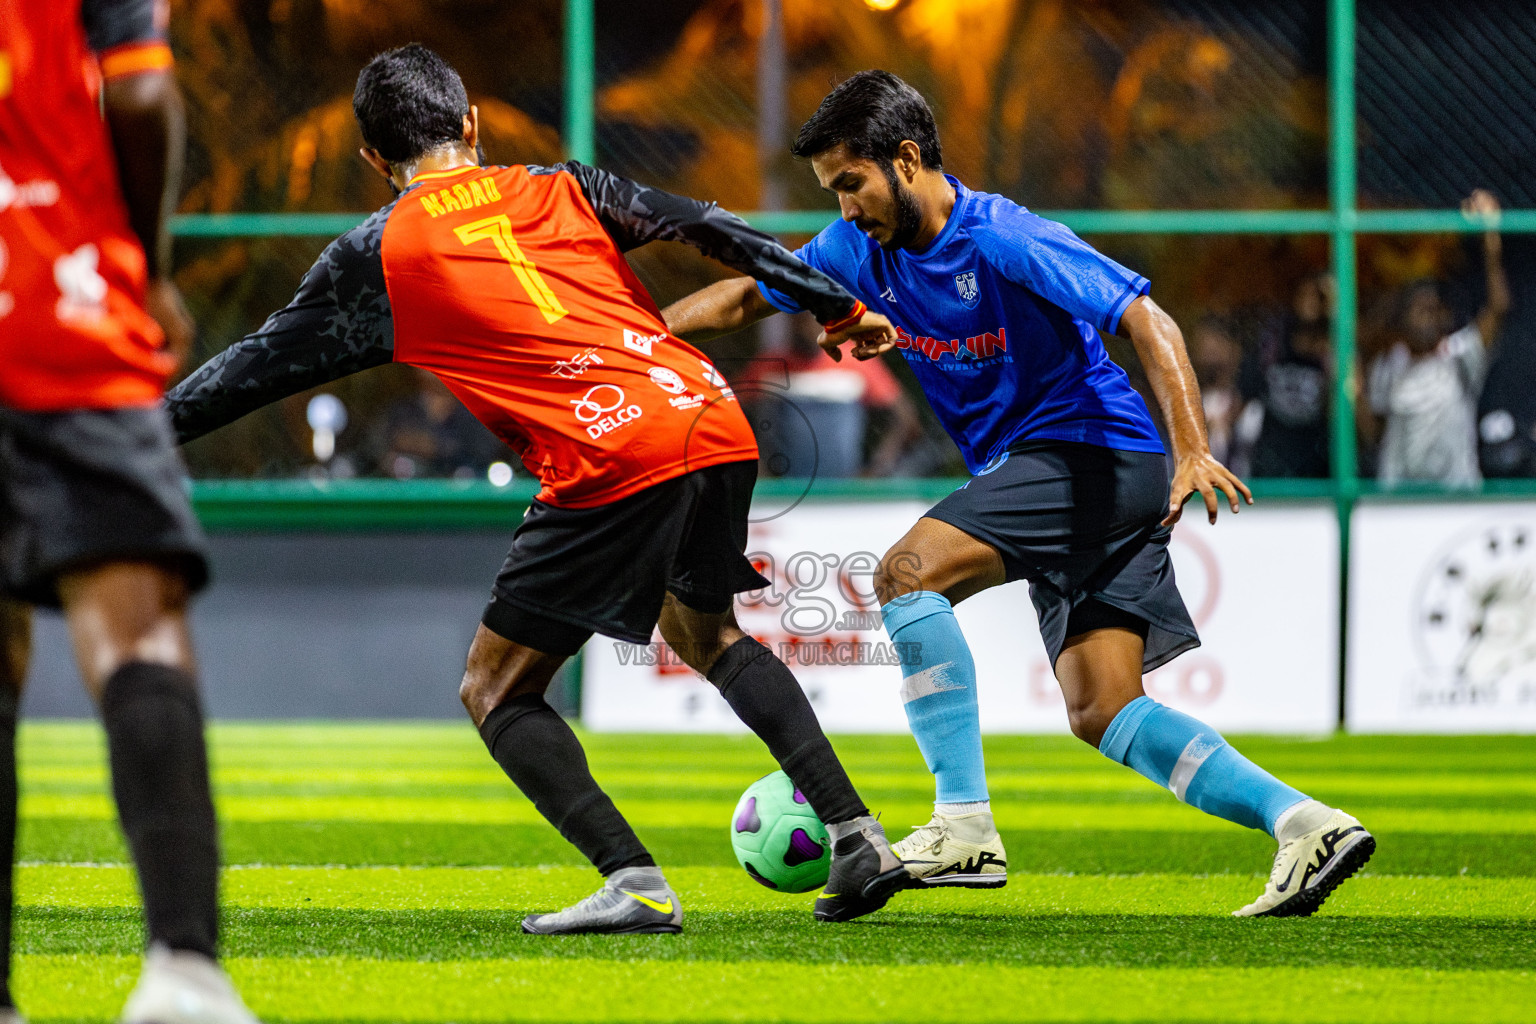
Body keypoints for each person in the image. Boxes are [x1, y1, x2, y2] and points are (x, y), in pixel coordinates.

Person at [166, 45, 908, 932]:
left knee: (496, 689)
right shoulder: (564, 186)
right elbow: (713, 228)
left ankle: (632, 880)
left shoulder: (377, 254)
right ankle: (858, 834)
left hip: (612, 453)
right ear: (471, 123)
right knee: (706, 634)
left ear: (373, 159)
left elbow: (246, 373)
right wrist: (834, 304)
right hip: (707, 413)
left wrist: (118, 441)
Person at [663, 70, 1373, 917]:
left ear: (906, 158)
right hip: (1077, 473)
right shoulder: (856, 251)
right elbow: (748, 292)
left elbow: (1148, 318)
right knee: (1103, 709)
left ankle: (962, 826)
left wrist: (1193, 450)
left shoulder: (1003, 236)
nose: (844, 209)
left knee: (905, 574)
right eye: (833, 192)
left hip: (1091, 452)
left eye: (851, 184)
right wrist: (640, 339)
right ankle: (1305, 824)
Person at [0, 2, 260, 1022]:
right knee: (134, 628)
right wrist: (146, 265)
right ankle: (182, 971)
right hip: (55, 297)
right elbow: (142, 88)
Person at [1366, 189, 1510, 489]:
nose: (1430, 318)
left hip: (1455, 495)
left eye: (1435, 310)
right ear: (1403, 320)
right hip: (1399, 499)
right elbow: (1375, 433)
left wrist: (1490, 241)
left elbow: (1498, 307)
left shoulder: (1459, 356)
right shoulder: (1389, 363)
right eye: (1420, 311)